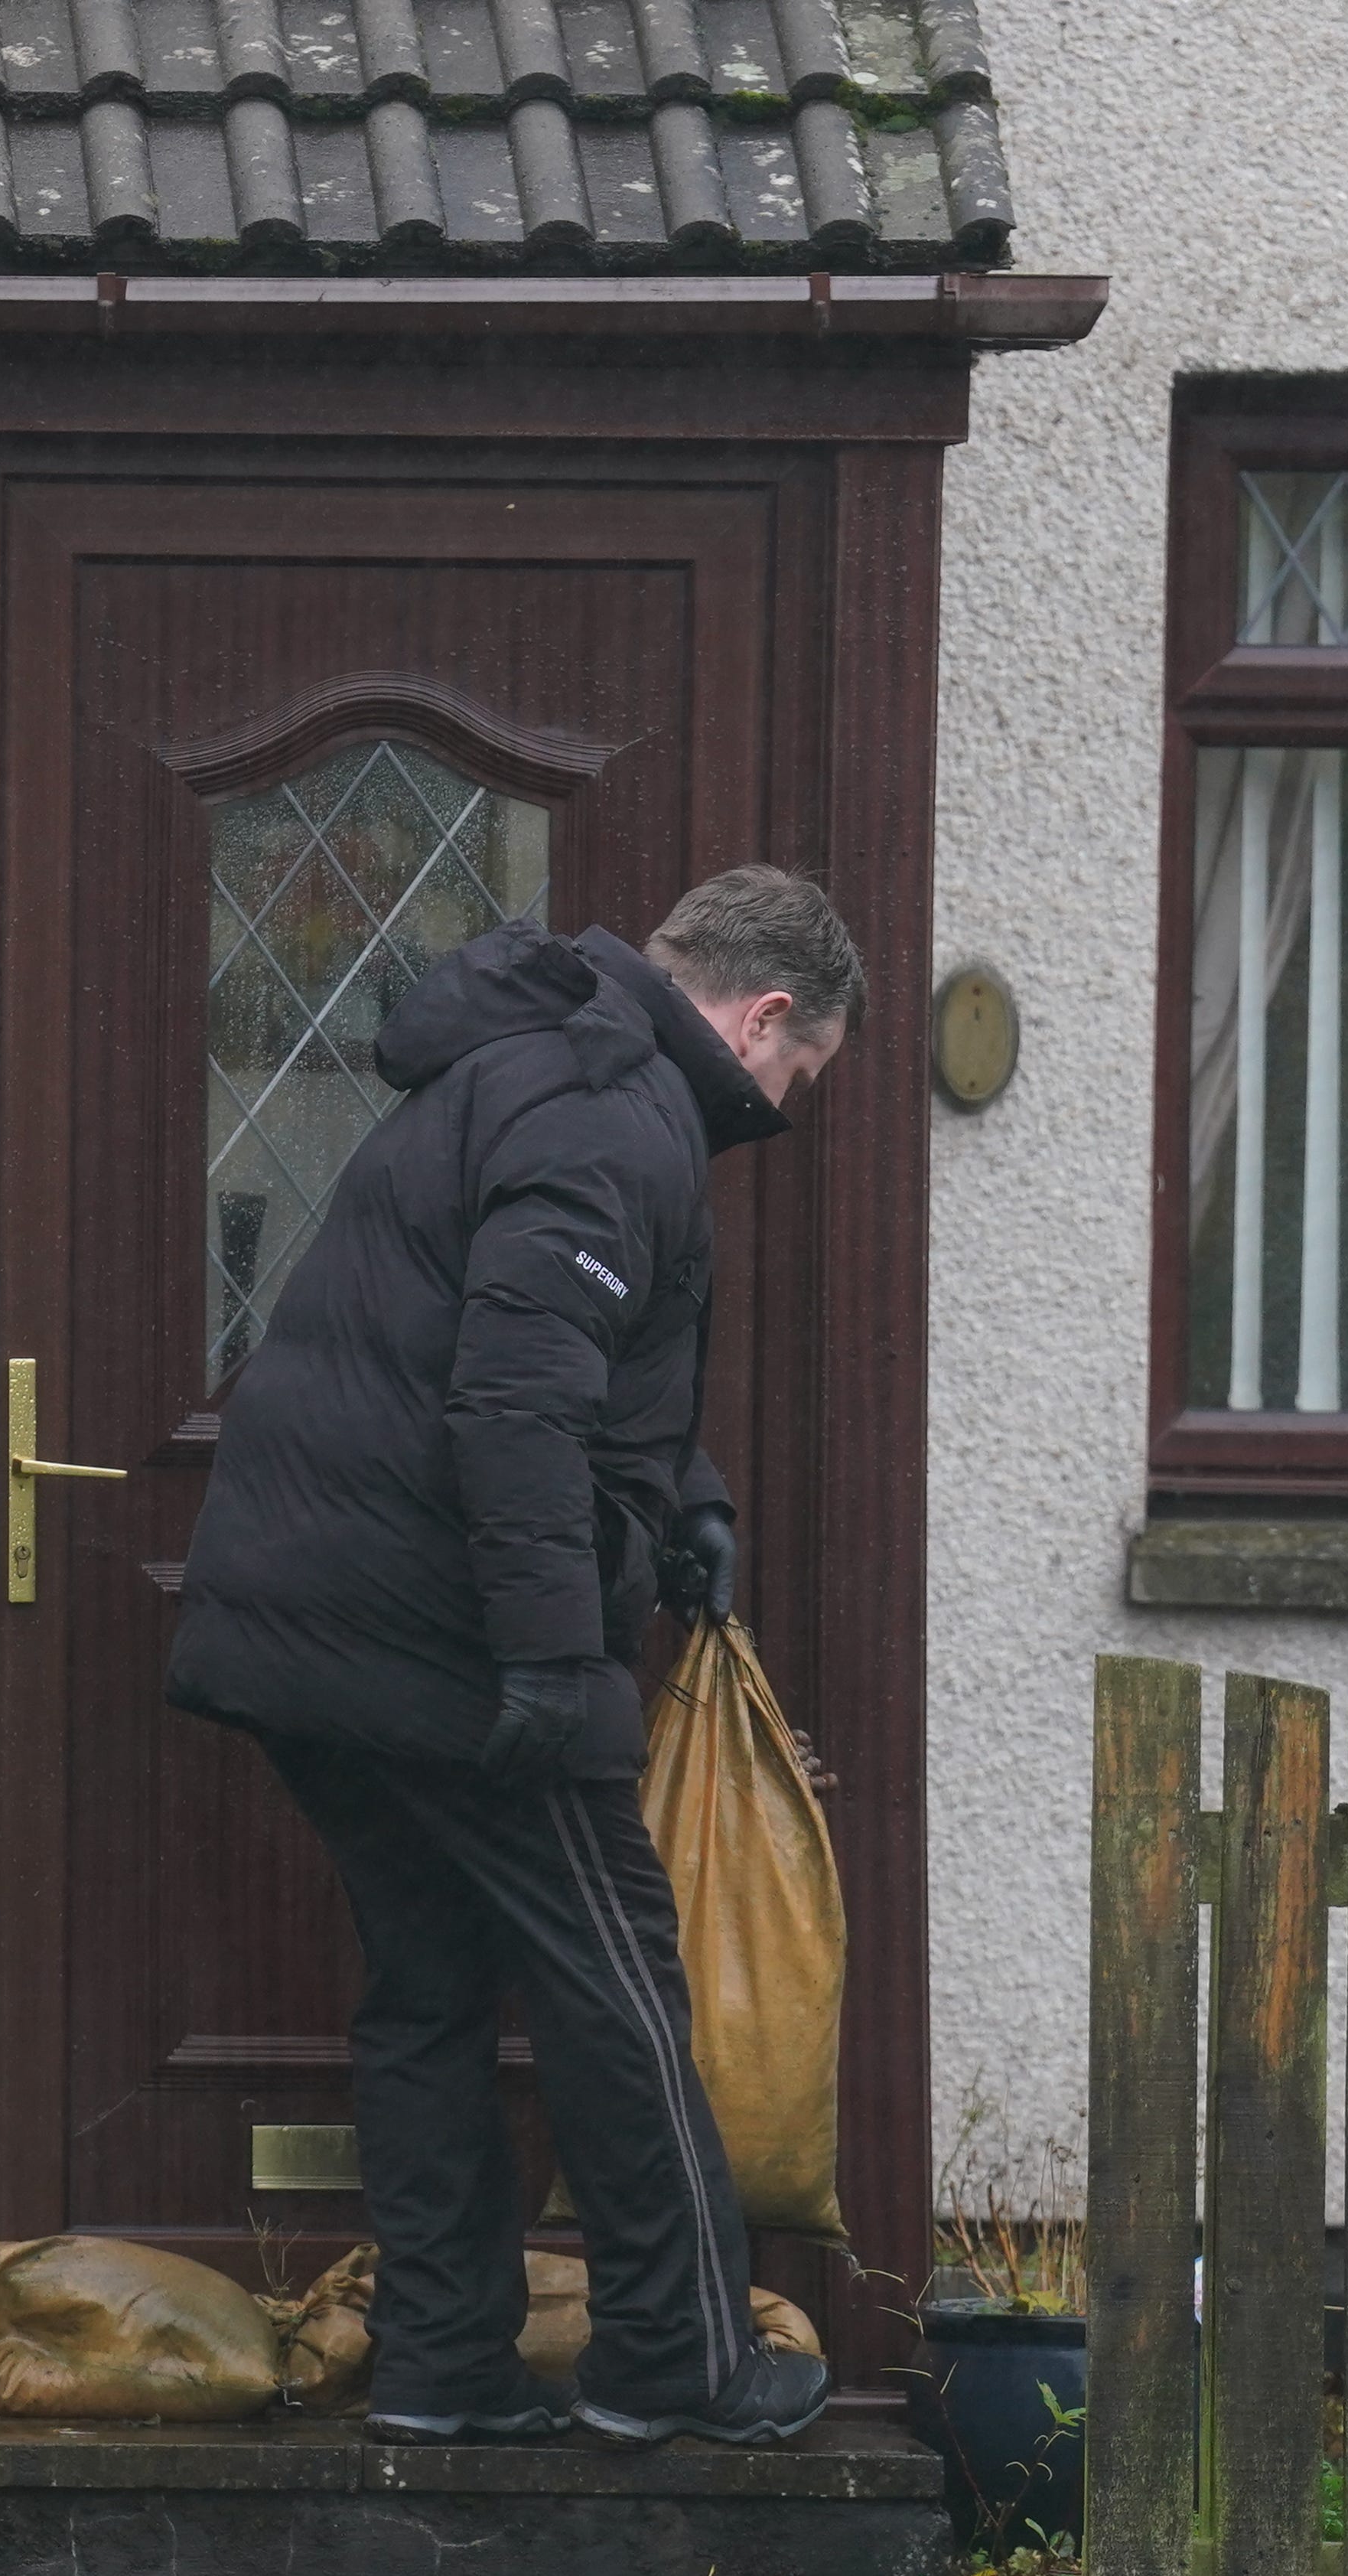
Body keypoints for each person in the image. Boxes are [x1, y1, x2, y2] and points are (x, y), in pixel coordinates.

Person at [165, 866, 863, 2449]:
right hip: (446, 1635)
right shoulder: (613, 1112)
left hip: (307, 1618)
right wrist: (558, 1665)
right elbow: (512, 1401)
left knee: (427, 1990)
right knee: (616, 1978)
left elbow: (534, 1352)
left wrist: (683, 1500)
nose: (783, 1107)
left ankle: (443, 2364)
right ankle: (675, 2359)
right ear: (762, 1014)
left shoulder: (529, 1061)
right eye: (797, 1075)